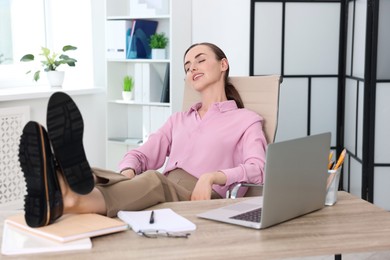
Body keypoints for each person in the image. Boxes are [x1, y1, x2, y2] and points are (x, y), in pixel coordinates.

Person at [19, 42, 267, 228]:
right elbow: (141, 154)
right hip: (164, 188)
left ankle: (69, 199)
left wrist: (213, 177)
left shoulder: (246, 119)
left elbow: (259, 168)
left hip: (202, 196)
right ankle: (60, 182)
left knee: (154, 179)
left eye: (200, 61)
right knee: (106, 174)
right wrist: (126, 173)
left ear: (223, 64)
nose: (192, 69)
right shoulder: (179, 120)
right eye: (188, 67)